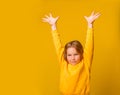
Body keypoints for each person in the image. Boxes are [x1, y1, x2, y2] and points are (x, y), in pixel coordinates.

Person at [42, 11, 100, 95]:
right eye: (69, 55)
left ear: (81, 53)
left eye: (76, 54)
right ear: (66, 55)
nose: (72, 58)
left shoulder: (85, 62)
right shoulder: (64, 62)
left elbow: (90, 45)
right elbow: (57, 45)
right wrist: (53, 26)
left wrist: (90, 25)